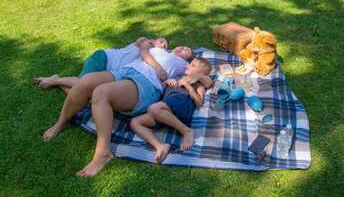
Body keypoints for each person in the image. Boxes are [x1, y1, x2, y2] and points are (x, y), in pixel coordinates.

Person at [42, 39, 195, 176]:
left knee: (100, 93)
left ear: (188, 61)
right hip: (124, 72)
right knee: (85, 81)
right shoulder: (160, 50)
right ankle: (62, 122)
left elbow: (201, 72)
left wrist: (198, 77)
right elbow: (142, 49)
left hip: (146, 85)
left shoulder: (183, 65)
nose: (182, 47)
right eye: (182, 46)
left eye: (187, 50)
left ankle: (103, 153)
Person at [130, 57, 213, 164]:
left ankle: (186, 131)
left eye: (193, 66)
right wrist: (166, 84)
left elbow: (198, 102)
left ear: (201, 74)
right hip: (166, 110)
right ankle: (160, 145)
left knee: (153, 108)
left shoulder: (198, 83)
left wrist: (189, 87)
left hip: (182, 102)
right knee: (135, 122)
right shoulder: (177, 76)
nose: (188, 65)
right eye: (190, 64)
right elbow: (165, 93)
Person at [34, 37, 169, 93]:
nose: (163, 46)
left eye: (165, 47)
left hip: (107, 70)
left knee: (88, 93)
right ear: (153, 40)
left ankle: (56, 81)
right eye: (162, 42)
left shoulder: (152, 55)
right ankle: (55, 80)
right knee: (83, 85)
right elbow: (143, 53)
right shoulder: (146, 43)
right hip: (103, 59)